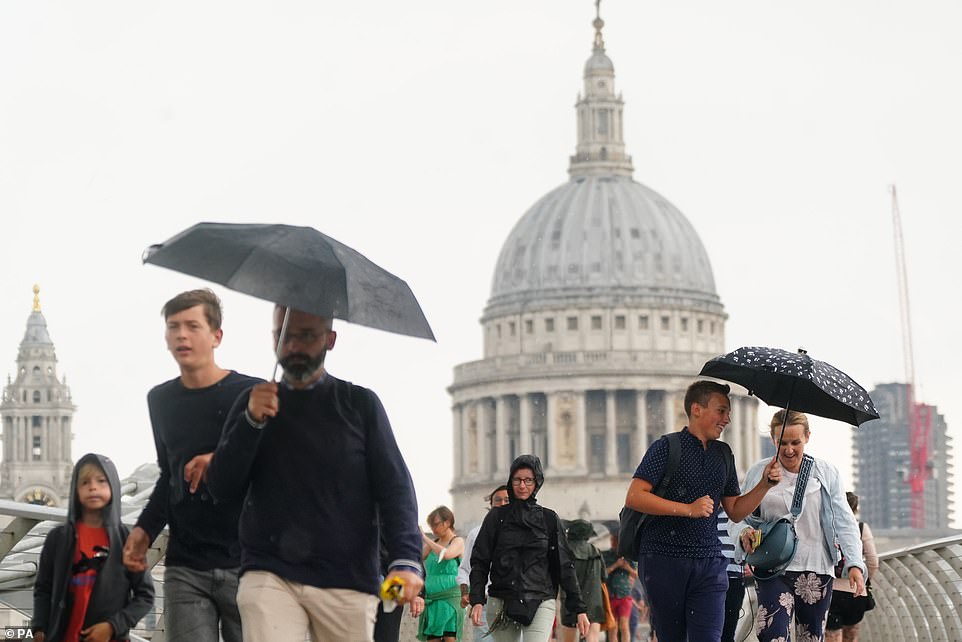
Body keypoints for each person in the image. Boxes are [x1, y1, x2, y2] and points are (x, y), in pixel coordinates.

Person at [206, 305, 424, 641]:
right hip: (269, 571)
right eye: (283, 335)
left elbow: (395, 488)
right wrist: (250, 423)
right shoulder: (253, 404)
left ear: (330, 340)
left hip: (347, 577)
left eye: (306, 336)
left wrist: (406, 559)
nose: (292, 346)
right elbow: (221, 487)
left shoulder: (360, 405)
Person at [123, 288, 260, 642]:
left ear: (217, 336)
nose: (181, 335)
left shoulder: (252, 395)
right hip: (186, 565)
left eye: (192, 326)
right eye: (173, 327)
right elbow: (169, 476)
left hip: (249, 563)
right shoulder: (161, 400)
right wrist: (142, 532)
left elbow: (277, 470)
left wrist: (222, 458)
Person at [624, 380, 782, 642]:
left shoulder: (723, 454)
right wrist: (687, 509)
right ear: (696, 409)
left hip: (709, 561)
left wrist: (765, 485)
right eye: (721, 411)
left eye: (729, 412)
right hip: (664, 559)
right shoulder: (667, 447)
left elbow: (734, 510)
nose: (727, 419)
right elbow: (634, 496)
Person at [733, 410, 867, 642]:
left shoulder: (825, 473)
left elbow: (844, 521)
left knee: (811, 637)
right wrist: (744, 533)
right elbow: (739, 515)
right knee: (771, 633)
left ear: (807, 437)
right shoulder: (759, 472)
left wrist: (855, 563)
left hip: (815, 566)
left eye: (795, 442)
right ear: (773, 440)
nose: (789, 449)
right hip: (772, 566)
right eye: (782, 442)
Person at [33, 454, 154, 642]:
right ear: (75, 490)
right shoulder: (57, 539)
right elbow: (43, 588)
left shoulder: (127, 540)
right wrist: (39, 627)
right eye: (85, 482)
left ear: (113, 486)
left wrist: (113, 626)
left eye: (101, 481)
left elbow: (145, 595)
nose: (93, 487)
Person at [468, 454, 590, 642]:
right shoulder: (496, 518)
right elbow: (480, 561)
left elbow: (564, 565)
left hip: (541, 599)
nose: (522, 486)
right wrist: (476, 600)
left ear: (537, 482)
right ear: (510, 481)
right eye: (517, 480)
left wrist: (579, 609)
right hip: (502, 600)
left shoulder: (549, 519)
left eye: (528, 480)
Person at [457, 486, 510, 641]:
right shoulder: (476, 533)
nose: (502, 503)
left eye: (507, 500)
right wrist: (465, 593)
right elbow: (466, 568)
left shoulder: (523, 532)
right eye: (498, 500)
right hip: (486, 601)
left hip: (514, 603)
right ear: (491, 505)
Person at [825, 492, 879, 642]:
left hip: (831, 592)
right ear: (855, 510)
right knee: (851, 636)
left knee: (832, 635)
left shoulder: (827, 527)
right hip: (856, 592)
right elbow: (873, 561)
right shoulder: (860, 527)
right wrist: (864, 580)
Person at [418, 506, 465, 641]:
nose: (433, 529)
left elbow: (447, 554)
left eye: (435, 524)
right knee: (432, 638)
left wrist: (425, 538)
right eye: (431, 526)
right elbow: (418, 557)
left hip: (450, 600)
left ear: (447, 523)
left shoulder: (457, 541)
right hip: (433, 599)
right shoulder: (434, 544)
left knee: (450, 638)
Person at [559, 519, 606, 642]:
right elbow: (604, 577)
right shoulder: (596, 552)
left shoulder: (565, 551)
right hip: (594, 601)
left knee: (569, 639)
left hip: (570, 600)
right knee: (592, 637)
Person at [717, 508, 747, 642]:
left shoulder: (739, 510)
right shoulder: (703, 509)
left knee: (727, 632)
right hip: (707, 577)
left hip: (734, 577)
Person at [602, 533, 636, 642]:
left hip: (624, 594)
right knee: (613, 626)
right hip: (611, 594)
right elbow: (603, 574)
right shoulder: (607, 556)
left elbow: (636, 574)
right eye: (612, 540)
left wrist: (627, 567)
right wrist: (615, 565)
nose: (613, 542)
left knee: (624, 625)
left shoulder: (628, 556)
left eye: (615, 540)